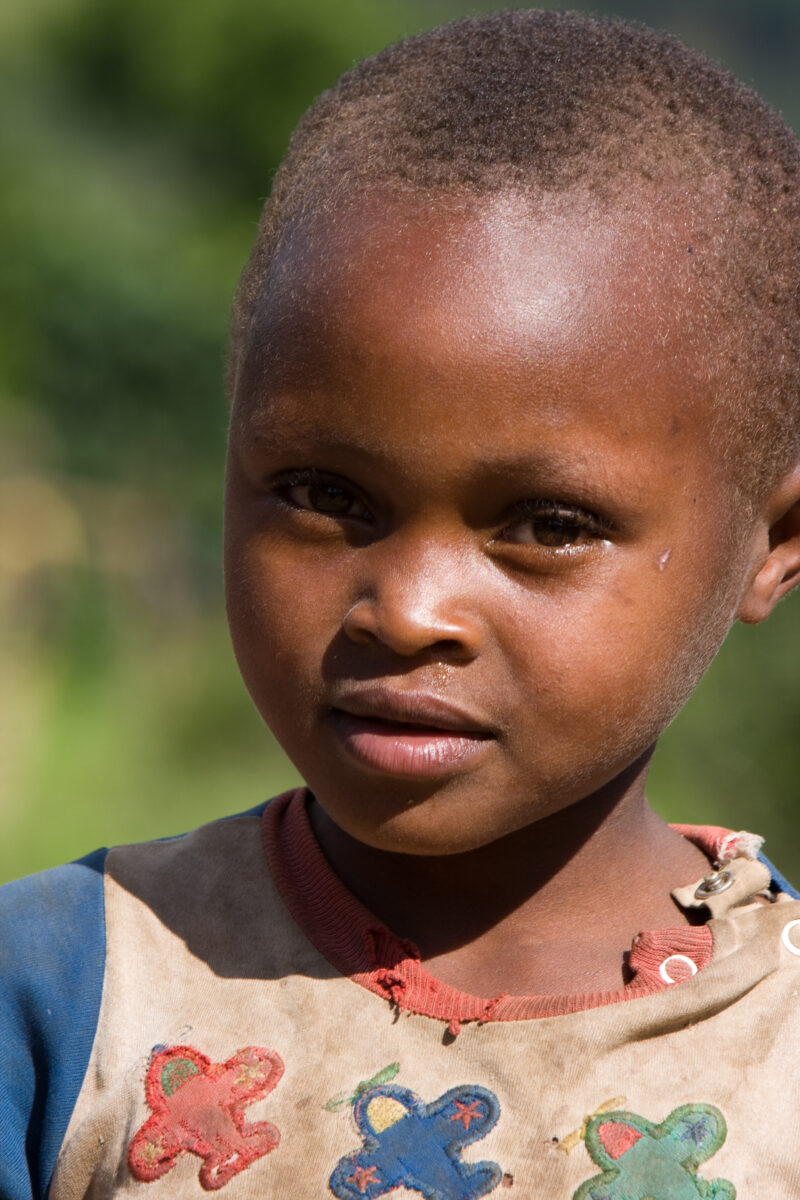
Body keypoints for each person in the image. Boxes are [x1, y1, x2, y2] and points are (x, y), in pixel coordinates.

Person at [3, 9, 800, 1198]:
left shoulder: (774, 1057)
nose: (408, 609)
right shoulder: (68, 992)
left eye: (546, 527)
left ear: (770, 545)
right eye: (326, 495)